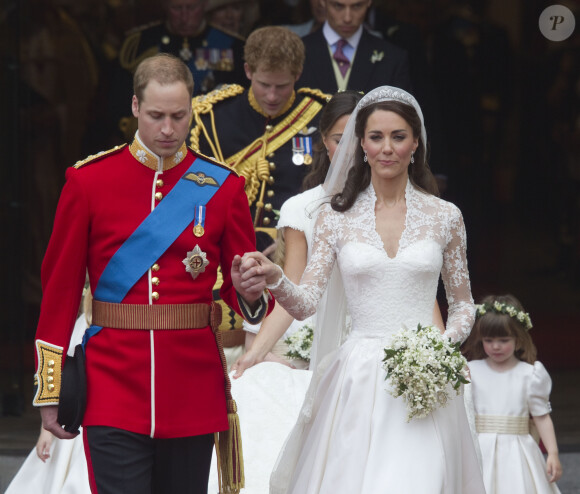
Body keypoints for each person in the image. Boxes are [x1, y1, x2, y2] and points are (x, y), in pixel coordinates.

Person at [32, 53, 272, 494]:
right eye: (157, 115)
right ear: (135, 108)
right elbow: (59, 295)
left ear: (192, 110)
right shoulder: (88, 182)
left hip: (192, 386)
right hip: (112, 386)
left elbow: (247, 295)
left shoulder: (224, 186)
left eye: (179, 116)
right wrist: (50, 391)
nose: (167, 129)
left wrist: (251, 293)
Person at [235, 85, 485, 493]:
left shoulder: (446, 217)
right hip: (358, 377)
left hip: (426, 375)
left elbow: (462, 305)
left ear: (415, 143)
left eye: (398, 136)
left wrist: (440, 348)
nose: (387, 148)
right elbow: (306, 303)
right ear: (361, 145)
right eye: (376, 137)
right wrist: (276, 278)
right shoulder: (335, 218)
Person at [190, 26, 329, 346]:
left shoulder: (321, 117)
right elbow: (195, 198)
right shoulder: (212, 116)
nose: (271, 96)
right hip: (225, 259)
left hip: (295, 262)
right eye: (264, 84)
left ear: (298, 74)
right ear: (248, 70)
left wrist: (292, 246)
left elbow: (333, 198)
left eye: (282, 86)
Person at [108, 0, 247, 143]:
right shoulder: (141, 43)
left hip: (211, 139)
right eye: (177, 8)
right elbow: (119, 100)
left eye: (191, 8)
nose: (184, 17)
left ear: (204, 5)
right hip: (154, 139)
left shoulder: (231, 46)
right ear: (165, 6)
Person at [464, 294, 563, 494]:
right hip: (480, 449)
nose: (496, 346)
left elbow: (541, 417)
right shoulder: (470, 371)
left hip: (519, 450)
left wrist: (552, 452)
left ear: (518, 339)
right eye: (488, 340)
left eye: (503, 340)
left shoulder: (530, 374)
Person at [297, 0, 412, 94]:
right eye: (338, 6)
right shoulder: (297, 53)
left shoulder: (393, 58)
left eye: (357, 6)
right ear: (322, 2)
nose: (347, 18)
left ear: (369, 2)